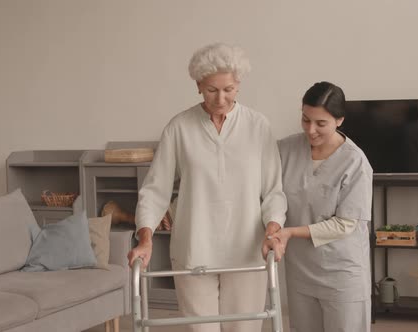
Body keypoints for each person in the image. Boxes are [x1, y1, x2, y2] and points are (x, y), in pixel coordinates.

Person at [127, 42, 287, 332]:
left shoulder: (258, 126)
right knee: (200, 329)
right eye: (212, 89)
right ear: (198, 85)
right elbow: (155, 190)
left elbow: (273, 191)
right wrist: (146, 238)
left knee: (245, 328)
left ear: (239, 85)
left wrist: (273, 230)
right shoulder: (179, 127)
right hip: (193, 248)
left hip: (247, 249)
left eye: (228, 89)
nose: (221, 98)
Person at [264, 81, 373, 332]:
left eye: (320, 123)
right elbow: (268, 191)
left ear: (339, 120)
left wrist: (290, 232)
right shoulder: (286, 149)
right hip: (301, 269)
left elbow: (345, 223)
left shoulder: (355, 162)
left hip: (342, 271)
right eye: (305, 119)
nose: (310, 130)